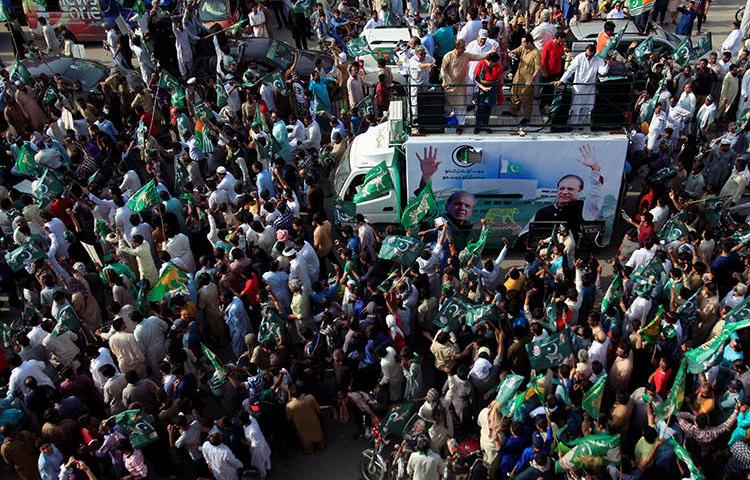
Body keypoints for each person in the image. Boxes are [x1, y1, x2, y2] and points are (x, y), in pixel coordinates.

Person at [556, 44, 610, 126]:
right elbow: (570, 70)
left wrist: (608, 64)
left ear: (594, 54)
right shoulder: (579, 57)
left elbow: (602, 71)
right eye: (587, 55)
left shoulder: (598, 60)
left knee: (587, 107)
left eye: (590, 56)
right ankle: (573, 124)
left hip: (590, 88)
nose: (588, 57)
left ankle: (580, 124)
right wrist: (562, 80)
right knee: (575, 106)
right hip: (579, 87)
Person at [508, 34, 541, 124]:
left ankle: (527, 117)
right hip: (518, 76)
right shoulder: (523, 47)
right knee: (513, 92)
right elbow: (515, 51)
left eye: (523, 42)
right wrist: (512, 54)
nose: (521, 44)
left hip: (528, 79)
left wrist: (532, 79)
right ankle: (513, 111)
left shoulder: (536, 53)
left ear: (529, 42)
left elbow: (538, 68)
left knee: (527, 99)